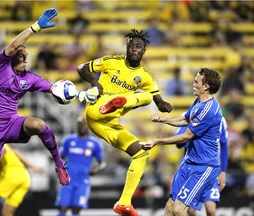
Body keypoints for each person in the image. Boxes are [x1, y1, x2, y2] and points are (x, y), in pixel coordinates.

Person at [0, 8, 70, 196]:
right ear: (12, 58)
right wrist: (35, 28)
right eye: (21, 56)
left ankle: (59, 165)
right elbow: (15, 43)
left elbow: (54, 88)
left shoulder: (29, 78)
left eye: (27, 57)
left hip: (11, 124)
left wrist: (82, 96)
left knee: (40, 125)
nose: (25, 60)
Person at [76, 28, 172, 216]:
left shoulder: (145, 75)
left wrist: (163, 105)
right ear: (127, 47)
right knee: (143, 97)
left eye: (139, 47)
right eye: (132, 45)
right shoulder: (111, 61)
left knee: (142, 154)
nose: (135, 49)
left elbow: (157, 99)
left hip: (105, 123)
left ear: (144, 51)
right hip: (97, 106)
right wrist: (94, 83)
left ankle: (124, 203)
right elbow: (81, 68)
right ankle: (116, 102)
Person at [141, 68, 223, 216]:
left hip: (204, 166)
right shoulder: (199, 102)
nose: (193, 84)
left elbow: (186, 136)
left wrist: (157, 141)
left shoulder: (209, 109)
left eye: (196, 81)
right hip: (189, 162)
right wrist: (164, 119)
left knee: (179, 210)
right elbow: (186, 119)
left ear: (206, 86)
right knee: (169, 208)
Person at [175, 116, 228, 216]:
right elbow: (178, 144)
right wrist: (190, 135)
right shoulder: (188, 116)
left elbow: (224, 143)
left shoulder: (219, 118)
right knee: (190, 210)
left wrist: (223, 170)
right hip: (193, 169)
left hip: (210, 168)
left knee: (211, 209)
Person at [55, 116, 106, 216]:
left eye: (84, 124)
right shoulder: (68, 140)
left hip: (83, 182)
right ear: (76, 126)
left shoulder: (95, 144)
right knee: (62, 207)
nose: (82, 126)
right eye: (80, 124)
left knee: (76, 209)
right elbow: (60, 157)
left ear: (89, 126)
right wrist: (58, 168)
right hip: (67, 181)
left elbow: (102, 163)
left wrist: (97, 169)